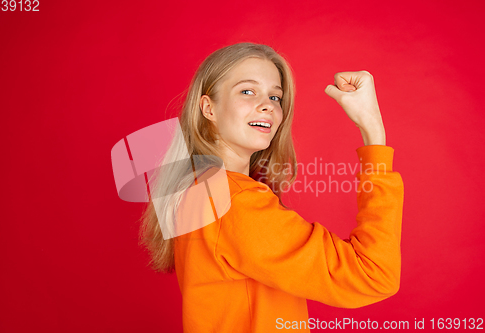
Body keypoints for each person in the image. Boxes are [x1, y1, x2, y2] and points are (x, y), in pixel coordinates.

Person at [138, 42, 404, 332]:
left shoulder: (199, 189)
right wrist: (373, 130)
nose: (267, 105)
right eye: (247, 91)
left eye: (275, 97)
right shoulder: (236, 202)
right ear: (208, 108)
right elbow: (373, 275)